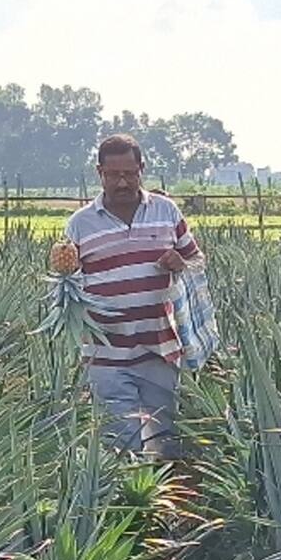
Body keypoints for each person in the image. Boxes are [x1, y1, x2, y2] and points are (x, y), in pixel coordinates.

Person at [63, 133, 203, 456]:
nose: (122, 182)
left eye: (129, 173)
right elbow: (67, 287)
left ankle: (164, 505)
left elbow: (197, 260)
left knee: (165, 443)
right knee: (122, 446)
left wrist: (181, 262)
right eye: (113, 175)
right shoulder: (79, 225)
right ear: (100, 173)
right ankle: (129, 505)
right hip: (106, 355)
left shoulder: (166, 212)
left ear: (142, 169)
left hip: (160, 350)